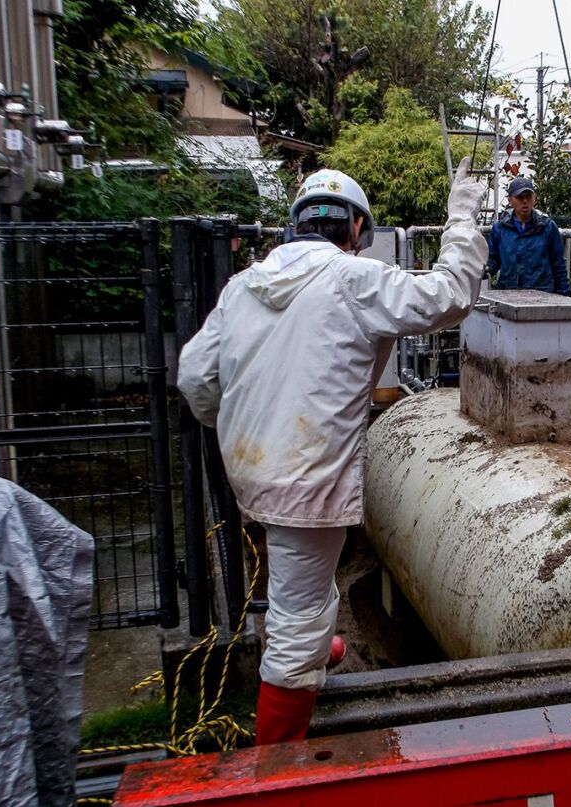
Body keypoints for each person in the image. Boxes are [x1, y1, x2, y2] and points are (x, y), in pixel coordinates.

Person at [177, 159, 488, 746]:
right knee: (295, 619)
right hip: (308, 478)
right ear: (357, 229)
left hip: (250, 469)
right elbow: (449, 297)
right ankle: (276, 763)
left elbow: (195, 377)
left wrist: (240, 425)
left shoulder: (242, 287)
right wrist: (462, 219)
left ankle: (319, 648)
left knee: (306, 586)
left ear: (295, 223)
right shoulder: (355, 279)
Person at [487, 177, 571, 295]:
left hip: (542, 294)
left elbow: (558, 264)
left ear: (534, 198)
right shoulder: (500, 228)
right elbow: (493, 260)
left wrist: (564, 295)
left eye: (528, 196)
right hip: (508, 293)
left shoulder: (547, 226)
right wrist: (481, 271)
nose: (525, 201)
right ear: (510, 200)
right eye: (520, 197)